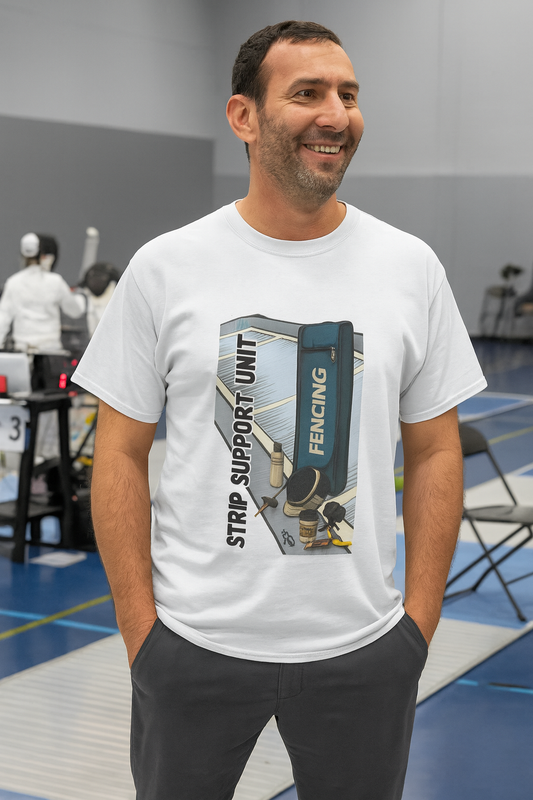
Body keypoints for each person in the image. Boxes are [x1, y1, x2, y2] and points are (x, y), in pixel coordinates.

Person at [73, 20, 486, 800]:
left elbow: (434, 450)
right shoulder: (167, 268)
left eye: (349, 94)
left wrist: (415, 628)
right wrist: (142, 635)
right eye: (307, 94)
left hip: (363, 653)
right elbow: (119, 453)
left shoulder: (409, 268)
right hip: (193, 647)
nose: (336, 114)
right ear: (243, 117)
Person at [0, 232, 84, 353]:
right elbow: (75, 311)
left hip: (23, 350)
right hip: (50, 351)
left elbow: (3, 318)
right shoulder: (56, 281)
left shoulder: (14, 282)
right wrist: (80, 299)